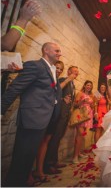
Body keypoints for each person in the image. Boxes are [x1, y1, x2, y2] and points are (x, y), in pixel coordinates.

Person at [1, 42, 62, 186]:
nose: (60, 53)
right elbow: (15, 88)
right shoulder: (35, 65)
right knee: (21, 159)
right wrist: (0, 110)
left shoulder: (51, 69)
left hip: (42, 120)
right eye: (57, 50)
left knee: (27, 159)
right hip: (32, 119)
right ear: (46, 50)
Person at [43, 65, 79, 174]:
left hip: (65, 115)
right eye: (74, 72)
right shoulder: (63, 80)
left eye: (77, 73)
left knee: (58, 137)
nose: (76, 74)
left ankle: (54, 161)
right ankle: (48, 165)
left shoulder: (73, 84)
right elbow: (55, 91)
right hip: (58, 115)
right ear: (68, 72)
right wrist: (62, 99)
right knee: (54, 138)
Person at [72, 80, 97, 163]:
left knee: (82, 136)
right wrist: (82, 101)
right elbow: (75, 105)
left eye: (90, 85)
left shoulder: (92, 95)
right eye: (87, 85)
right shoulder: (80, 93)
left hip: (88, 116)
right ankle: (75, 157)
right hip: (81, 116)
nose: (89, 87)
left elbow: (93, 106)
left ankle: (79, 153)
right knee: (79, 136)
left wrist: (93, 104)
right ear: (85, 85)